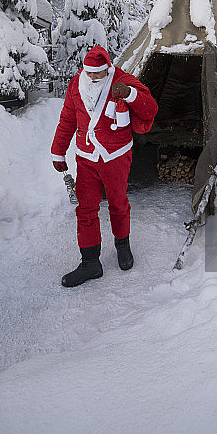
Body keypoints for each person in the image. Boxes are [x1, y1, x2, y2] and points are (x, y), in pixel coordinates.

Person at [51, 45, 158, 287]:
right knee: (85, 208)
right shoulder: (77, 83)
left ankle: (123, 246)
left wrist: (130, 94)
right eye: (88, 72)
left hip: (115, 156)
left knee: (118, 204)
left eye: (97, 73)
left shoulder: (123, 79)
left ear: (107, 68)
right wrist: (58, 151)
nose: (92, 77)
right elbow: (67, 118)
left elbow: (150, 108)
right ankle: (90, 263)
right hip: (86, 157)